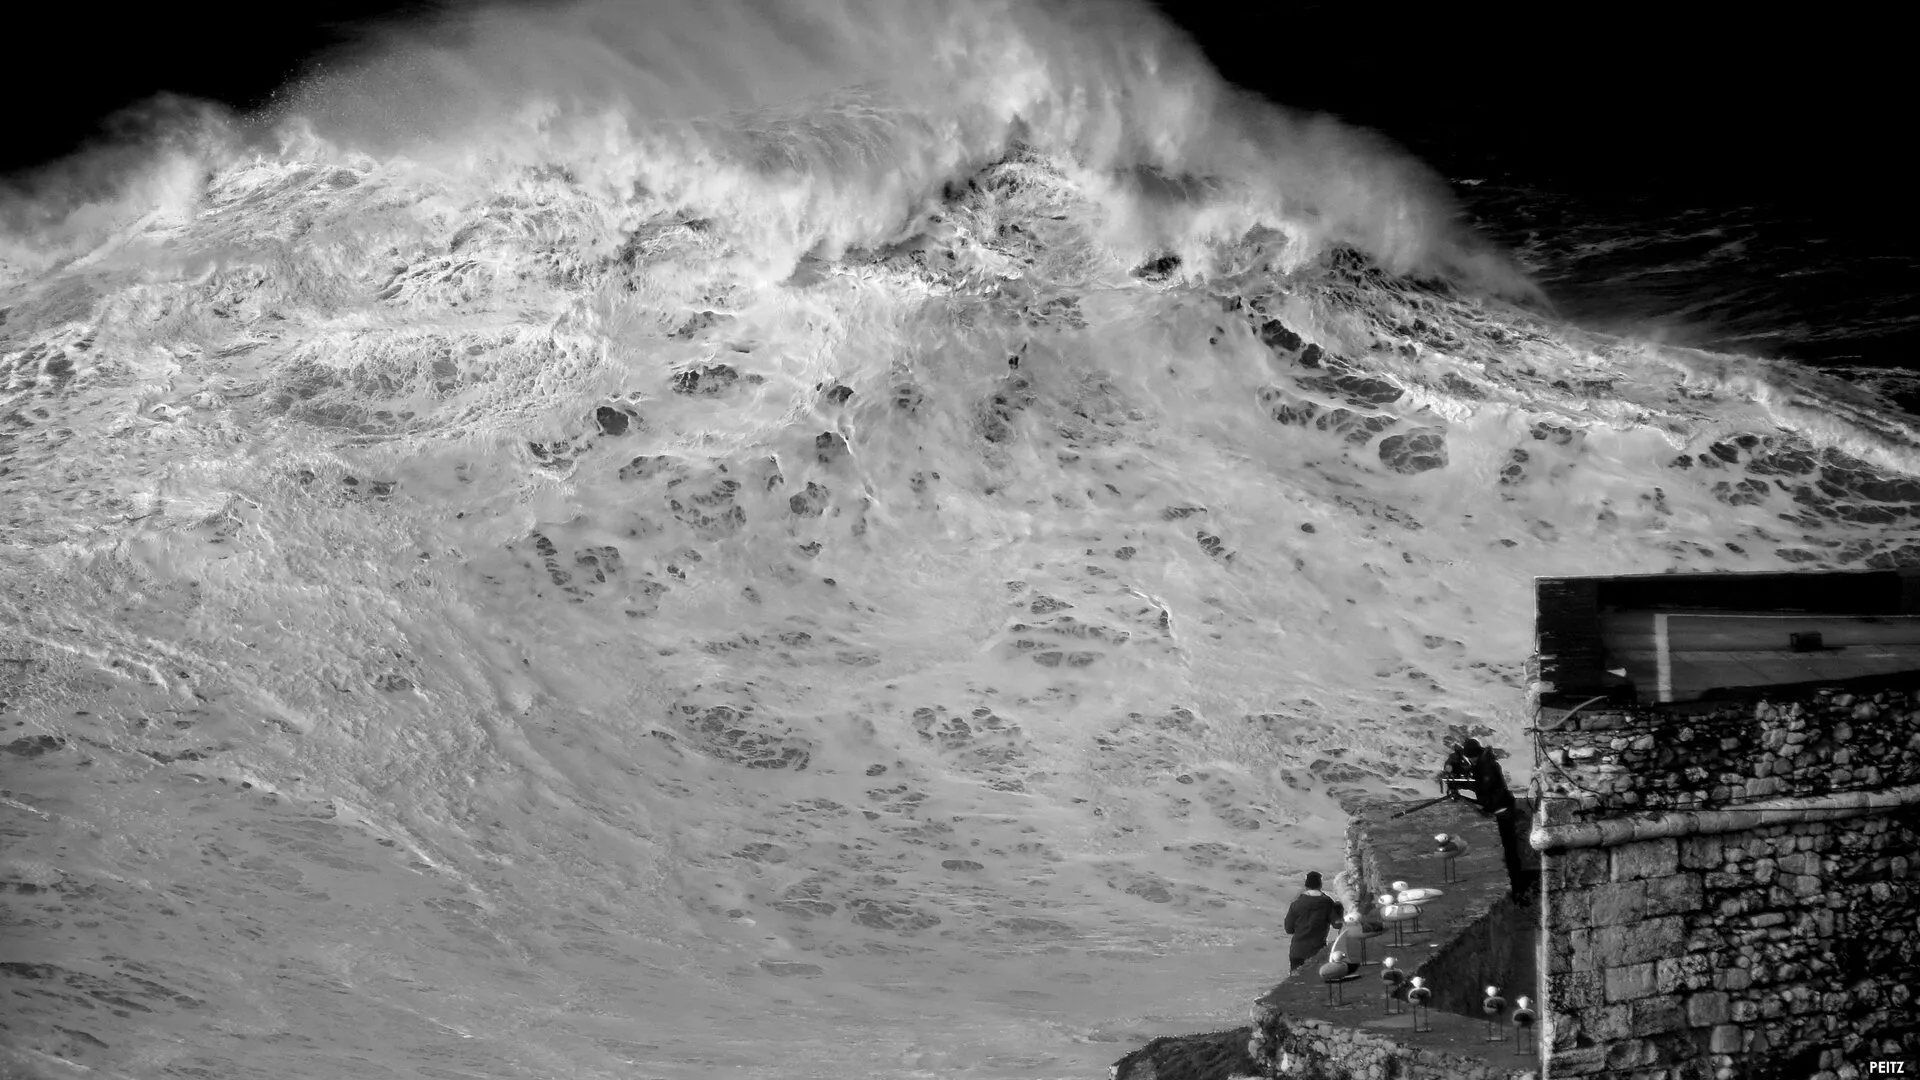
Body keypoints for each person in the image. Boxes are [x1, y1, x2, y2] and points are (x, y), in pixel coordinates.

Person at [1439, 739, 1529, 903]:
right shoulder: (1479, 762)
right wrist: (1451, 768)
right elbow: (1457, 760)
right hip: (1495, 807)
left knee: (1509, 852)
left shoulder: (1489, 767)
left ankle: (1518, 890)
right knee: (1508, 853)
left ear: (1476, 755)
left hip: (1502, 810)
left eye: (1471, 758)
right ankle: (1517, 890)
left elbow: (1482, 789)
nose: (1470, 761)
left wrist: (1463, 788)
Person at [1283, 871, 1345, 972]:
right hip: (1317, 951)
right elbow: (1337, 924)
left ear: (1306, 885)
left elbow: (1288, 929)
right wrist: (1340, 910)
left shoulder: (1296, 904)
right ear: (1320, 884)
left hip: (1297, 951)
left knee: (1296, 979)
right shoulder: (1327, 902)